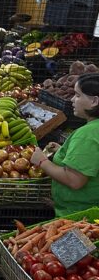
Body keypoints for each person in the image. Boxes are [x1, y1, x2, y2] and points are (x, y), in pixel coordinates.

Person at [31, 73, 99, 217]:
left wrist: (42, 161)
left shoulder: (87, 134)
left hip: (78, 216)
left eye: (78, 95)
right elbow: (90, 161)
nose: (72, 99)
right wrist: (64, 152)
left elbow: (74, 180)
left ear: (94, 101)